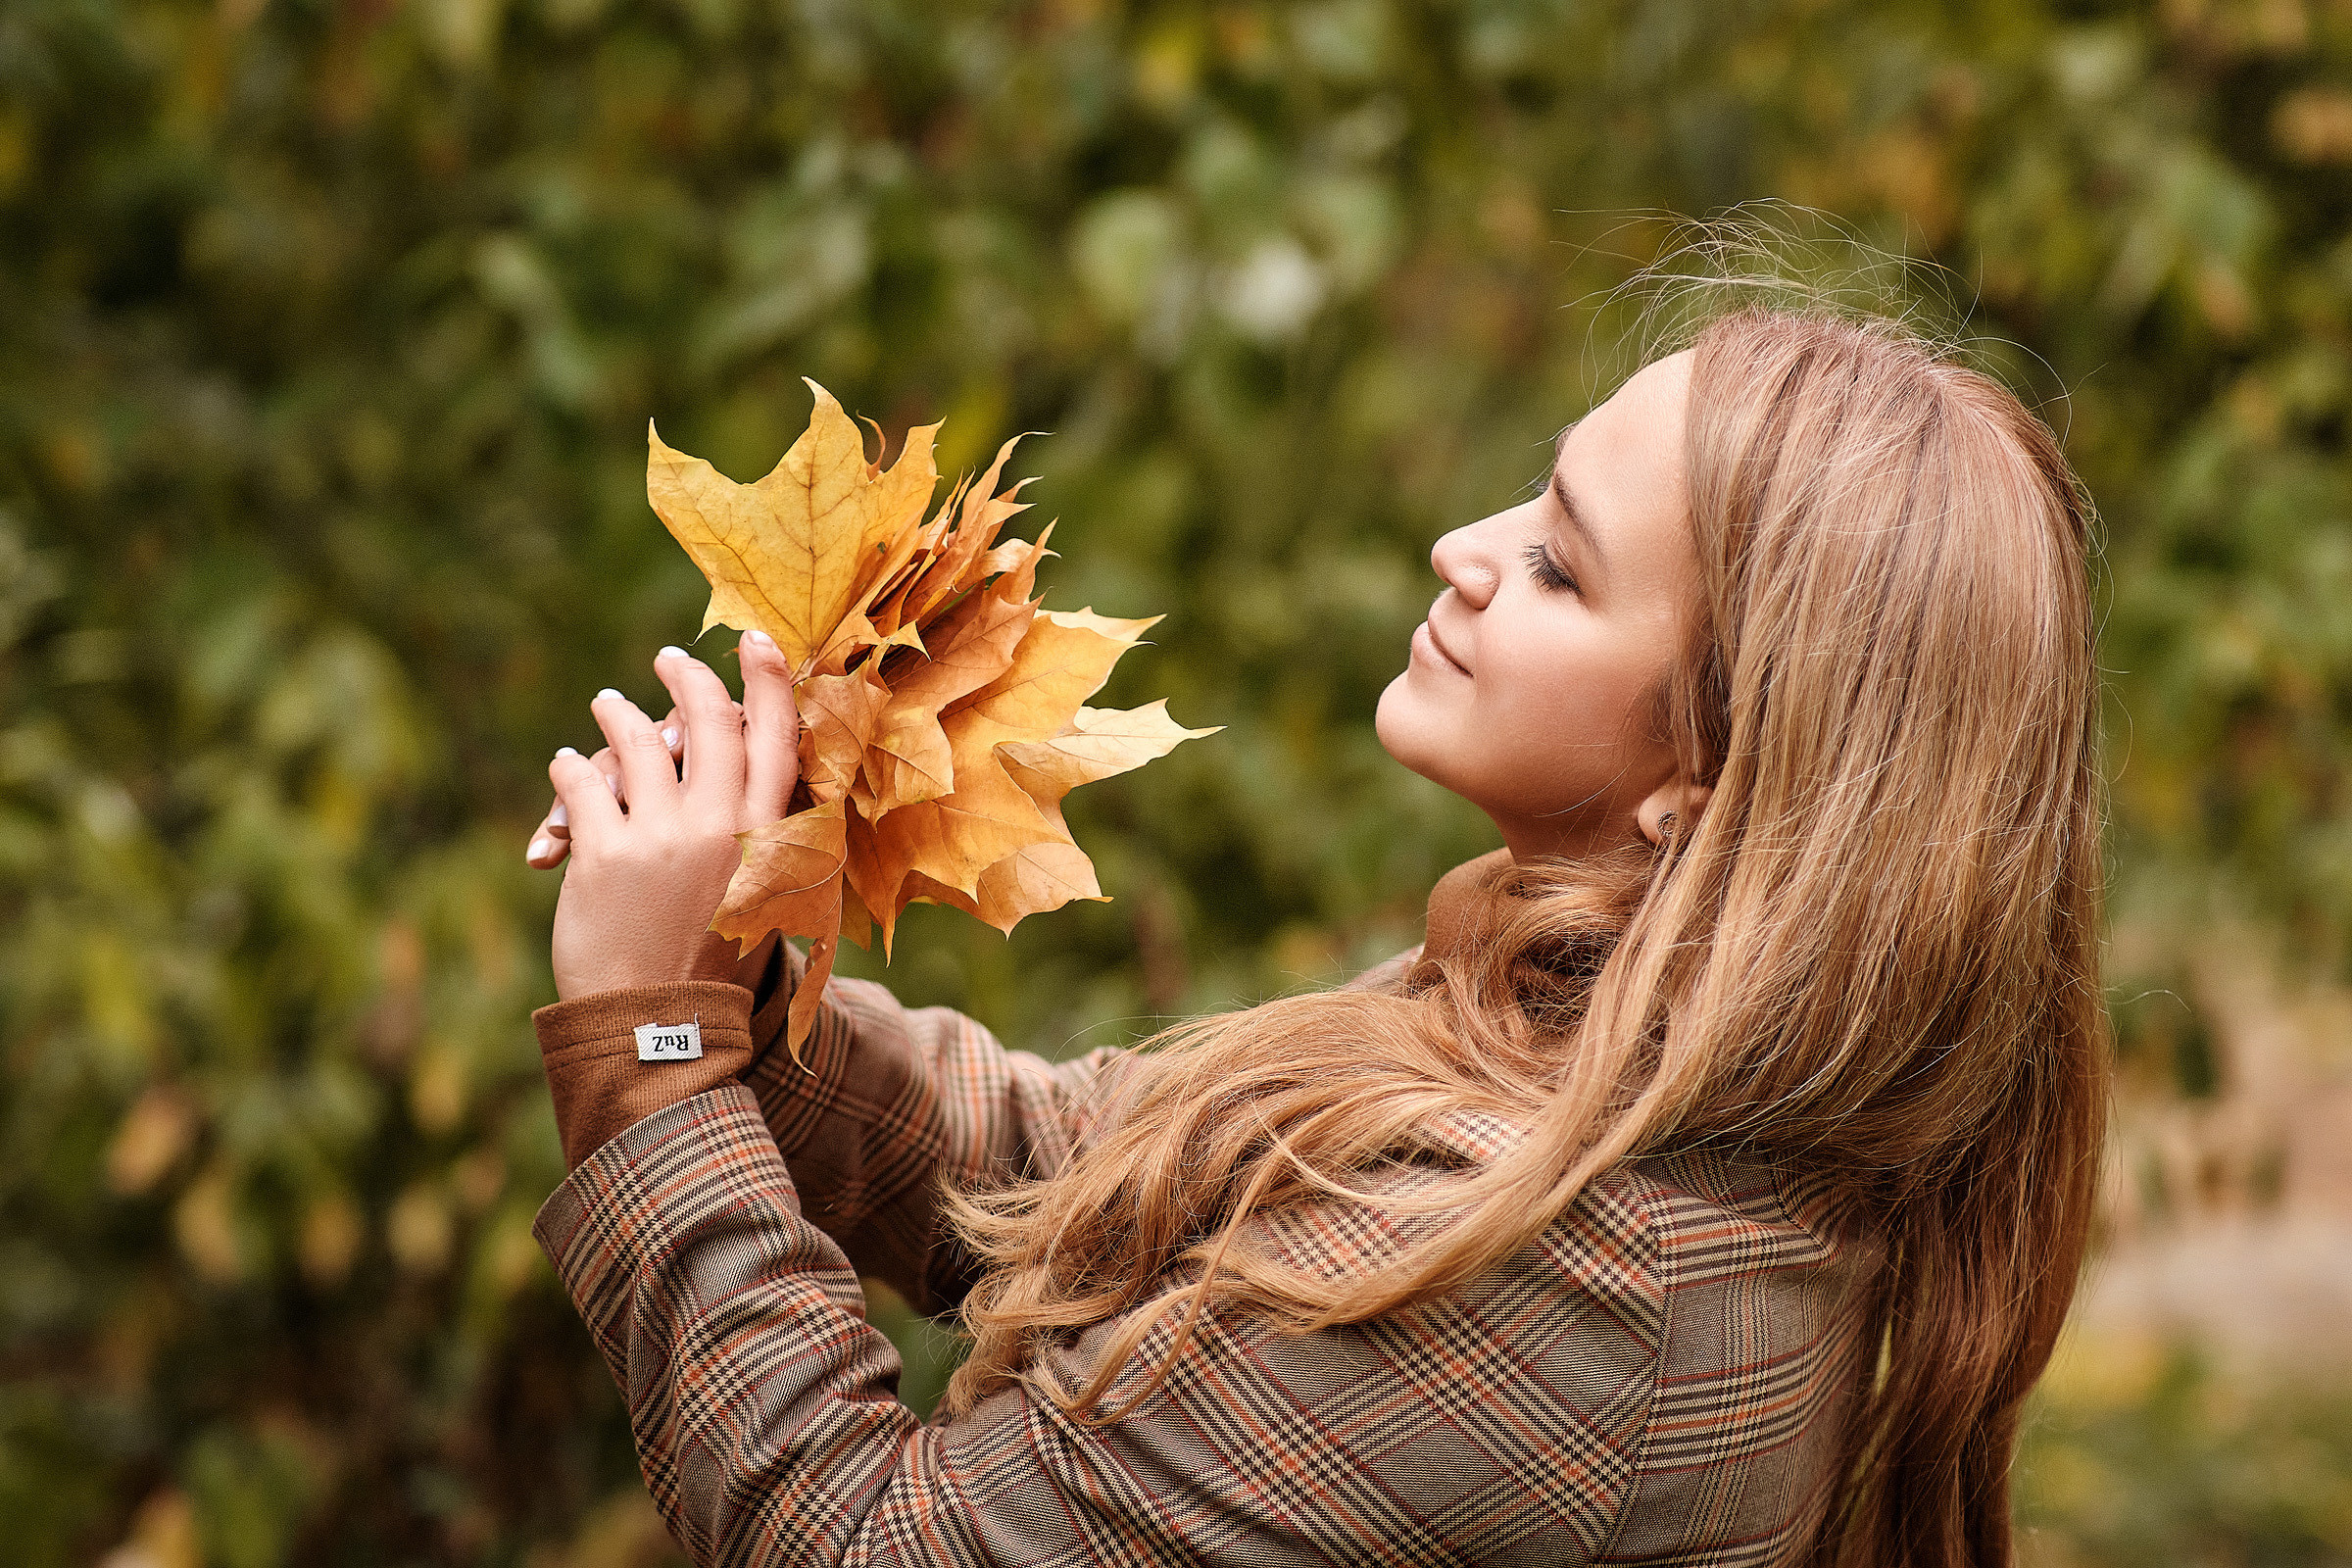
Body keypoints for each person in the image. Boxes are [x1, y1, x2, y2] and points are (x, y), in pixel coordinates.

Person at [519, 306, 2107, 1567]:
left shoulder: (1562, 1283)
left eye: (1557, 564)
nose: (1463, 552)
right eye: (1531, 495)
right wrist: (728, 982)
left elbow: (870, 1540)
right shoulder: (1592, 1039)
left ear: (1709, 784)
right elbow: (1085, 1170)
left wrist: (652, 1049)